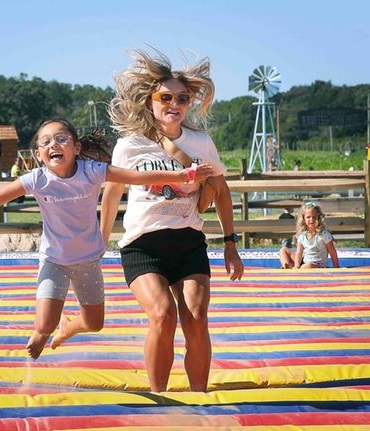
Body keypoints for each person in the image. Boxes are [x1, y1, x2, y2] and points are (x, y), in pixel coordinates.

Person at [0, 118, 214, 360]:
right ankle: (44, 332)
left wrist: (180, 175)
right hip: (54, 261)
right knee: (45, 323)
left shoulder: (91, 172)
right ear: (39, 154)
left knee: (95, 324)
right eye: (46, 142)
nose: (53, 145)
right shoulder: (37, 180)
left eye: (61, 139)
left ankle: (69, 326)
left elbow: (136, 176)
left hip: (88, 262)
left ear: (76, 147)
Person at [100, 49, 244, 392]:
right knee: (163, 315)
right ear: (150, 101)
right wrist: (97, 242)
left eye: (183, 97)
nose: (174, 104)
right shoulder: (129, 145)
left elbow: (222, 192)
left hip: (188, 243)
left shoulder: (200, 142)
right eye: (166, 97)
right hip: (142, 246)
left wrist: (230, 245)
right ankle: (159, 397)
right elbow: (111, 194)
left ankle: (199, 398)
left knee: (196, 318)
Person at [279, 202, 339, 269]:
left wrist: (336, 267)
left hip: (317, 264)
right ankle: (286, 266)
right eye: (308, 217)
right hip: (304, 262)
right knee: (283, 250)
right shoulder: (302, 236)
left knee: (309, 265)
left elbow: (332, 252)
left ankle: (297, 268)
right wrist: (297, 265)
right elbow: (299, 253)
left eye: (314, 217)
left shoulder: (324, 234)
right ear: (303, 219)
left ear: (318, 218)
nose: (311, 219)